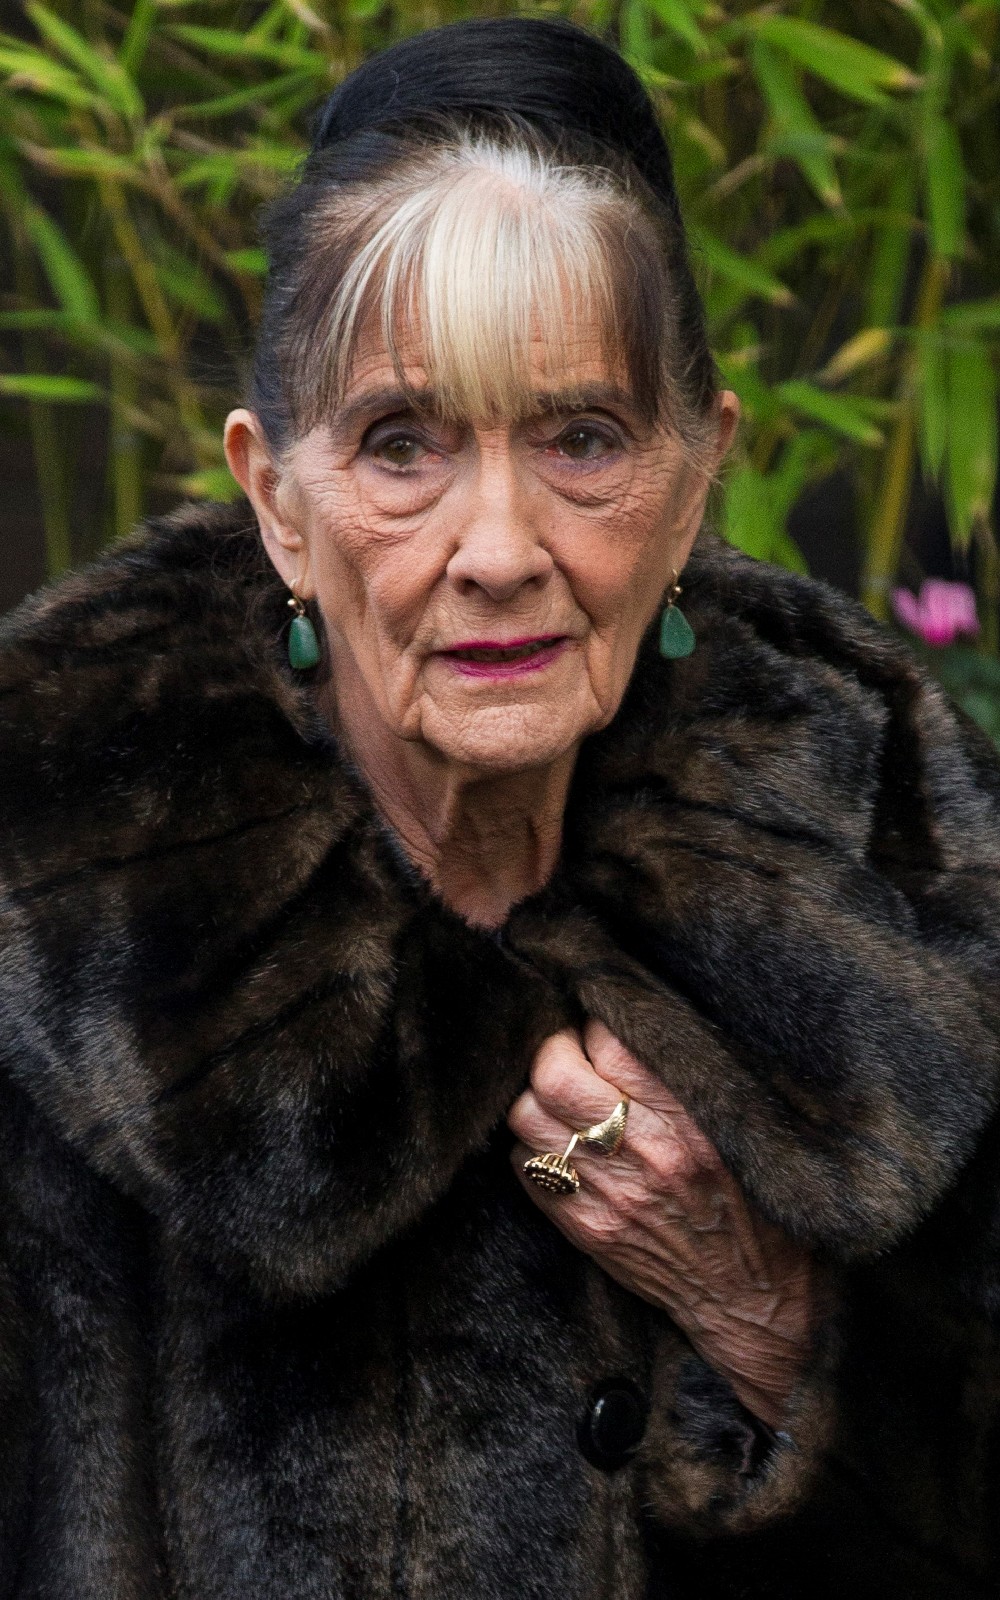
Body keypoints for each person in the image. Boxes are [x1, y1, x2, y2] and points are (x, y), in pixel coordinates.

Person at [1, 16, 999, 1599]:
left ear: (694, 475)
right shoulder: (69, 919)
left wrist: (769, 1322)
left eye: (582, 439)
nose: (499, 546)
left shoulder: (895, 896)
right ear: (276, 499)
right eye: (403, 444)